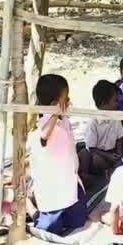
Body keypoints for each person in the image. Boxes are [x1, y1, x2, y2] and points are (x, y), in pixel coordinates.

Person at [30, 74, 87, 236]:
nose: (68, 102)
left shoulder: (64, 120)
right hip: (53, 187)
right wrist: (55, 114)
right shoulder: (45, 123)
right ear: (55, 104)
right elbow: (43, 137)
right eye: (66, 99)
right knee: (49, 229)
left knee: (78, 221)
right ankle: (29, 206)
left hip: (69, 181)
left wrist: (59, 115)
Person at [77, 80, 123, 183]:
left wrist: (119, 155)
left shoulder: (116, 118)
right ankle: (87, 175)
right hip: (98, 154)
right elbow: (91, 148)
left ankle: (109, 172)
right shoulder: (93, 123)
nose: (118, 104)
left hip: (112, 154)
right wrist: (108, 156)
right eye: (115, 101)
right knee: (88, 155)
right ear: (104, 103)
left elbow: (120, 138)